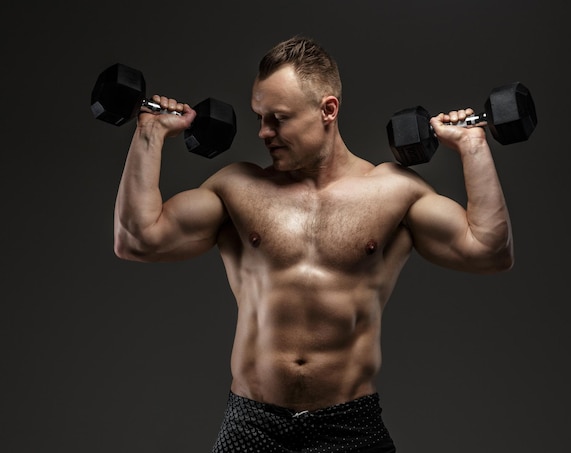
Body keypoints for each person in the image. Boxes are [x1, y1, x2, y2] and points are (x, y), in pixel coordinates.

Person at [113, 36, 513, 453]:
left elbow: (490, 250)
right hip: (253, 424)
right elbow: (136, 239)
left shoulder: (393, 192)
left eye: (278, 119)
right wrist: (150, 131)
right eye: (260, 117)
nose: (264, 132)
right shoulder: (238, 188)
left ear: (328, 110)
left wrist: (473, 146)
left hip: (350, 427)